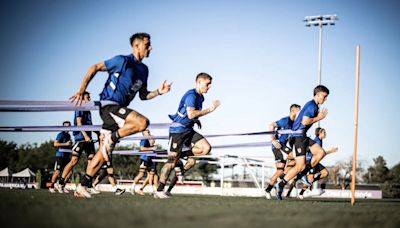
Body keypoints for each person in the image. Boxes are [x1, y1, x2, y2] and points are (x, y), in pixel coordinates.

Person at [70, 33, 172, 198]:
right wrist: (81, 90)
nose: (150, 48)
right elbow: (94, 67)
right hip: (109, 105)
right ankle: (114, 137)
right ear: (136, 46)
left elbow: (143, 95)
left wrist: (159, 92)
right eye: (147, 45)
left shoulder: (144, 70)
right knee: (142, 122)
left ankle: (82, 185)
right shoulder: (122, 61)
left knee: (103, 154)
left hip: (119, 111)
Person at [154, 72, 220, 199]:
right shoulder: (192, 95)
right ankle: (159, 190)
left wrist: (196, 120)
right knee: (172, 162)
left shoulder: (201, 97)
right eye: (208, 84)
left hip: (188, 129)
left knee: (205, 148)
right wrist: (210, 109)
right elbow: (191, 114)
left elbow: (193, 115)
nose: (210, 86)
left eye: (210, 84)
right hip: (178, 131)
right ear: (199, 82)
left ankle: (179, 156)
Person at [275, 85, 330, 200]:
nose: (325, 99)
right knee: (300, 166)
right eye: (324, 96)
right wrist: (318, 118)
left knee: (320, 153)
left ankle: (302, 173)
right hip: (297, 138)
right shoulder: (312, 106)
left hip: (303, 136)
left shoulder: (313, 105)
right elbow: (305, 121)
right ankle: (280, 184)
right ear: (318, 94)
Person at [58, 92, 96, 193]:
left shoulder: (88, 109)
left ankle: (89, 185)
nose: (90, 98)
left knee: (91, 161)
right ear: (82, 98)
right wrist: (86, 136)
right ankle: (60, 183)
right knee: (74, 161)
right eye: (88, 97)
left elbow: (89, 124)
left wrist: (97, 131)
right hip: (81, 138)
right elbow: (79, 124)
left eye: (90, 97)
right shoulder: (80, 107)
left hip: (89, 139)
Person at [264, 104, 301, 199]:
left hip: (284, 146)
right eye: (299, 111)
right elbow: (271, 125)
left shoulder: (296, 123)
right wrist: (273, 140)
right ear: (293, 111)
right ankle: (281, 179)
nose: (300, 113)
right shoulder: (285, 120)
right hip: (278, 146)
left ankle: (268, 189)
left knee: (280, 171)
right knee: (297, 158)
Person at [297, 127, 338, 199]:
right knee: (310, 179)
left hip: (316, 161)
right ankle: (301, 193)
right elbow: (323, 153)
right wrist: (331, 151)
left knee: (325, 173)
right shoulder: (317, 141)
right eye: (324, 132)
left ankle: (309, 183)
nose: (325, 134)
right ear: (319, 133)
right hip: (312, 161)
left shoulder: (320, 141)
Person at [130, 129, 159, 195]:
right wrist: (152, 148)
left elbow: (152, 145)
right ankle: (132, 187)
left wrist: (153, 145)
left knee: (151, 175)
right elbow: (142, 148)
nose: (149, 133)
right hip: (144, 158)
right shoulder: (144, 139)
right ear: (144, 133)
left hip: (150, 159)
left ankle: (152, 190)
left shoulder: (149, 139)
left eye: (149, 131)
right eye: (147, 132)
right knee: (141, 174)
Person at [49, 121, 72, 193]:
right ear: (63, 127)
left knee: (70, 172)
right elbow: (55, 144)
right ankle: (51, 186)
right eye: (67, 126)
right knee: (57, 172)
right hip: (60, 155)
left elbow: (68, 145)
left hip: (67, 155)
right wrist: (65, 144)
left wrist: (70, 146)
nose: (68, 127)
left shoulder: (69, 135)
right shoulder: (60, 134)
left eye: (69, 126)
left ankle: (62, 186)